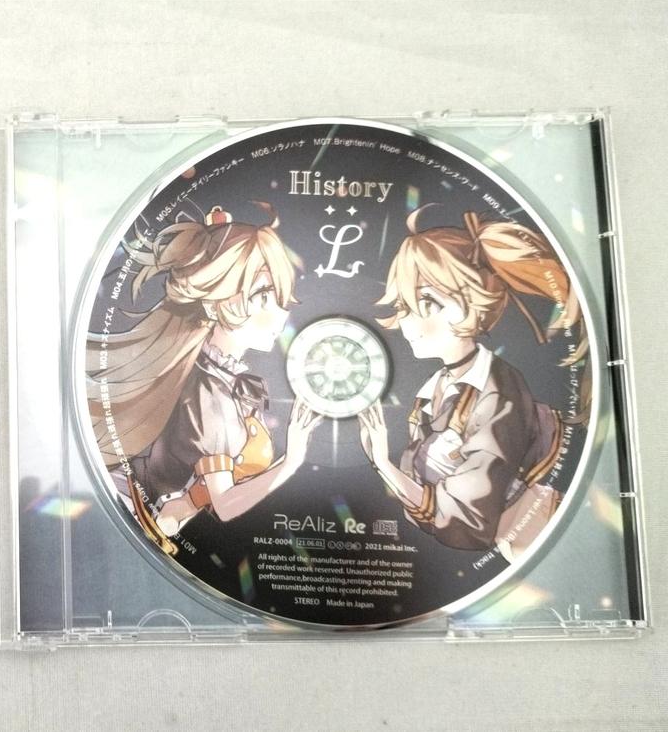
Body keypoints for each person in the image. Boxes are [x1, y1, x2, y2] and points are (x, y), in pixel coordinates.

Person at [88, 203, 322, 557]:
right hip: (130, 531)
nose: (278, 315)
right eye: (262, 297)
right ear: (214, 304)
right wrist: (290, 462)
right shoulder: (210, 393)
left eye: (279, 298)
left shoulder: (226, 380)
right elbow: (225, 505)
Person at [358, 206, 586, 558]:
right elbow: (430, 501)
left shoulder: (499, 391)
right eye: (403, 306)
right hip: (513, 556)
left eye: (428, 303)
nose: (408, 322)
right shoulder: (433, 391)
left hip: (548, 546)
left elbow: (468, 521)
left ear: (474, 304)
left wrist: (384, 466)